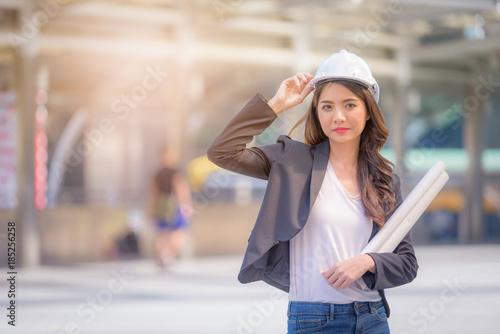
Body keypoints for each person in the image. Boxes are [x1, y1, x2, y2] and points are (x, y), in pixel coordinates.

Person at [207, 50, 418, 333]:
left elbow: (406, 263)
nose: (338, 116)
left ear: (368, 111)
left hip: (372, 318)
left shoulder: (383, 179)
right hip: (313, 320)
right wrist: (277, 105)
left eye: (350, 105)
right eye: (327, 106)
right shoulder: (292, 161)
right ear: (316, 113)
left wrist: (367, 262)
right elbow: (223, 152)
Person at [149, 147, 193, 269]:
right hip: (173, 205)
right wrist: (186, 204)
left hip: (160, 204)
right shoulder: (175, 172)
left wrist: (151, 208)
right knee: (180, 231)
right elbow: (181, 189)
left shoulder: (157, 173)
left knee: (161, 233)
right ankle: (168, 255)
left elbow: (153, 192)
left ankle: (162, 255)